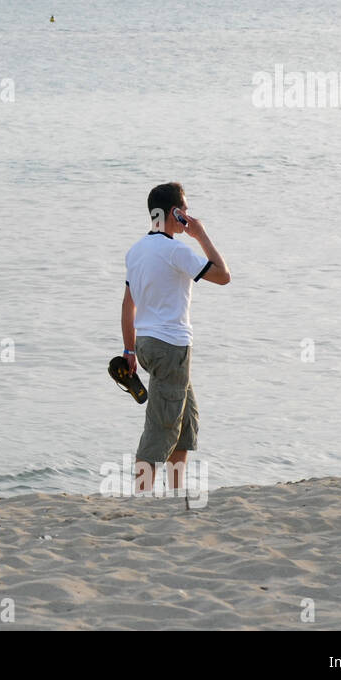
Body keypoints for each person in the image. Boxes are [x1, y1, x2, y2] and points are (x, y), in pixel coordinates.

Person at [121, 182, 230, 495]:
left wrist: (129, 348)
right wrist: (201, 235)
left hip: (148, 345)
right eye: (185, 210)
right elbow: (223, 275)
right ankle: (141, 497)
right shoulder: (176, 250)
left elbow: (129, 304)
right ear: (175, 213)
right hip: (170, 348)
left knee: (183, 423)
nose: (188, 216)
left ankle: (177, 495)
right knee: (162, 426)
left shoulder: (136, 250)